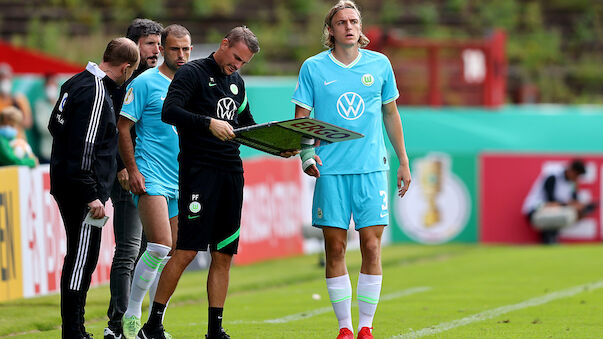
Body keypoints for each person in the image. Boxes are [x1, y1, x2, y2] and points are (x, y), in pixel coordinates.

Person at [291, 1, 411, 338]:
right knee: (336, 247)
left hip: (372, 169)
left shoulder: (380, 65)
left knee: (372, 246)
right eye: (341, 22)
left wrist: (403, 160)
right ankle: (344, 327)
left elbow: (391, 114)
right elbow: (302, 119)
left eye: (354, 21)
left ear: (361, 28)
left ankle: (366, 327)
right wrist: (306, 156)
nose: (349, 26)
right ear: (330, 30)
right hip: (331, 171)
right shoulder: (313, 68)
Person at [137, 26, 259, 339]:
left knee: (223, 254)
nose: (237, 66)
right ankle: (152, 325)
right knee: (187, 251)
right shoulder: (191, 73)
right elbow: (169, 111)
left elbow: (246, 126)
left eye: (244, 63)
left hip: (231, 173)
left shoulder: (237, 83)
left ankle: (214, 330)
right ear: (224, 44)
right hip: (198, 172)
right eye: (235, 58)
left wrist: (278, 144)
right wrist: (208, 123)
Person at [48, 37, 139, 339]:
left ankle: (74, 328)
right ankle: (74, 330)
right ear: (126, 68)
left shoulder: (75, 82)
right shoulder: (97, 93)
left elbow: (55, 126)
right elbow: (85, 147)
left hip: (66, 181)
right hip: (83, 190)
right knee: (81, 260)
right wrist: (90, 194)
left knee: (78, 256)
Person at [117, 24, 192, 339]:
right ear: (162, 49)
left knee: (175, 251)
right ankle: (132, 313)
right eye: (175, 49)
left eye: (186, 49)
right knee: (159, 245)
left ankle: (153, 323)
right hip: (152, 174)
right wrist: (132, 170)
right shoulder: (146, 82)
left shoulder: (194, 83)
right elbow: (122, 127)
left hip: (182, 178)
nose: (182, 55)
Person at [105, 18, 163, 339]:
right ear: (133, 47)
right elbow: (114, 129)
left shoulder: (159, 80)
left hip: (155, 177)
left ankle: (135, 322)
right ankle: (117, 325)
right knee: (129, 250)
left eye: (158, 43)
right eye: (150, 43)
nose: (157, 50)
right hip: (129, 175)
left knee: (150, 251)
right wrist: (123, 167)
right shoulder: (123, 84)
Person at [522, 159, 595, 244]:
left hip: (555, 211)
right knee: (564, 212)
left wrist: (582, 207)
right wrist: (570, 205)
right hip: (535, 211)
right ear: (571, 170)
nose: (576, 178)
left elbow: (574, 201)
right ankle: (548, 238)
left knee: (577, 212)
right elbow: (550, 202)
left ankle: (551, 238)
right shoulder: (553, 177)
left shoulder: (573, 183)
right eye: (576, 175)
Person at [0, 63, 33, 138]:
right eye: (2, 78)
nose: (5, 81)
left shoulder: (19, 99)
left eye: (7, 78)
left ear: (11, 79)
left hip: (18, 141)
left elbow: (28, 123)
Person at [34, 73, 59, 163]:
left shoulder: (64, 103)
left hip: (62, 152)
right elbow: (43, 128)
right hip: (46, 153)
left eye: (53, 84)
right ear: (45, 87)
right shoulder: (39, 105)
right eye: (49, 85)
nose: (51, 87)